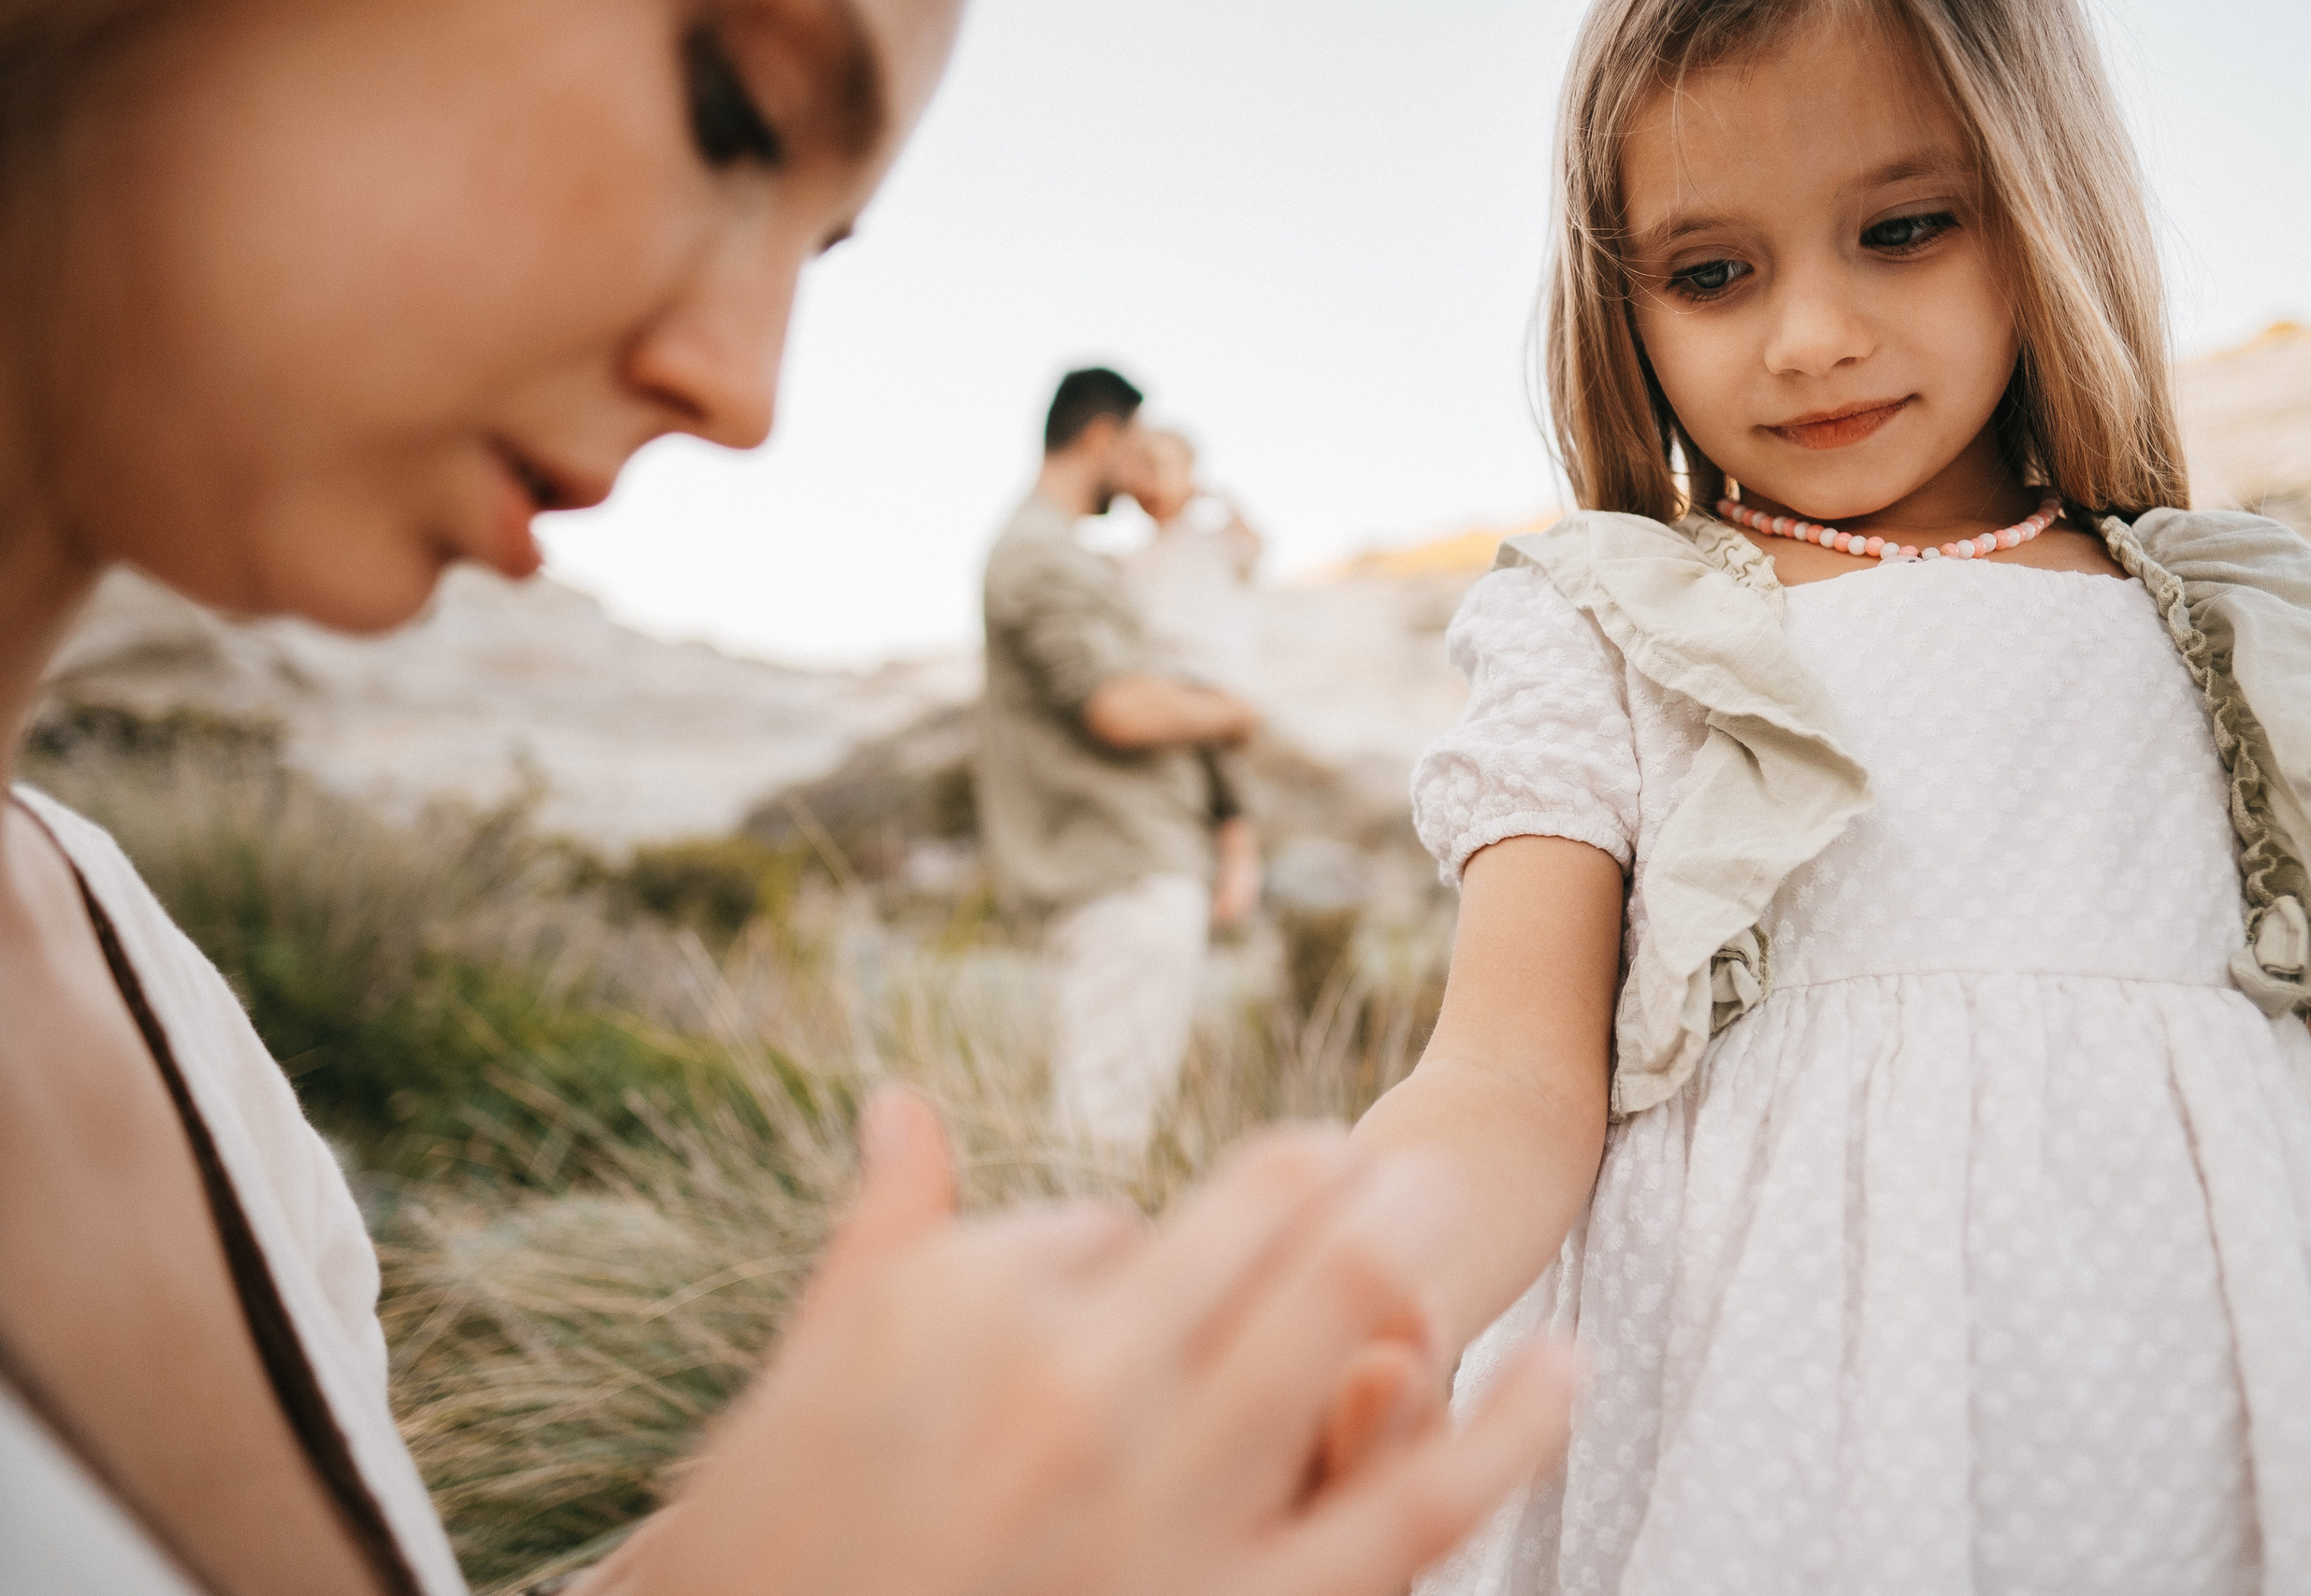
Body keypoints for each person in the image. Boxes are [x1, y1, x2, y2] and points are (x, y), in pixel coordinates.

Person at [0, 5, 1577, 1594]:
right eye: (730, 110)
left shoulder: (155, 1005)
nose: (749, 394)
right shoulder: (1042, 562)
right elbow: (1131, 699)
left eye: (820, 251)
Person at [1335, 0, 2311, 1590]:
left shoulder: (2257, 621)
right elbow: (1508, 1071)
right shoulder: (1616, 618)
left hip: (2228, 1433)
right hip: (1764, 1424)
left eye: (1902, 230)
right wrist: (1352, 1288)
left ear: (2043, 200)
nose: (1811, 333)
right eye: (1710, 270)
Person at [977, 370, 1259, 1159]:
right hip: (1123, 867)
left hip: (1134, 862)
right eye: (1133, 453)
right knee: (1103, 1136)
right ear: (1101, 437)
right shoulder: (1039, 555)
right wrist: (1238, 711)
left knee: (1108, 1120)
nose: (1138, 480)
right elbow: (1119, 706)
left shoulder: (1067, 554)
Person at [1124, 428, 1268, 934]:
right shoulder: (1137, 557)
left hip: (1213, 673)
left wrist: (1216, 498)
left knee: (1219, 771)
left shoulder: (1212, 540)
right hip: (1163, 676)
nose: (1152, 483)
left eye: (1164, 469)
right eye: (1142, 470)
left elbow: (1254, 548)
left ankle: (1240, 859)